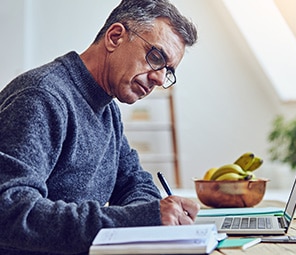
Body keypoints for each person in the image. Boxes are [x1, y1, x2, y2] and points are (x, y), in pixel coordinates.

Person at [0, 0, 199, 254]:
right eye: (156, 57)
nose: (159, 78)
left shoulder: (107, 110)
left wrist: (143, 219)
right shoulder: (42, 96)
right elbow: (9, 210)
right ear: (115, 37)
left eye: (168, 70)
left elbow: (136, 185)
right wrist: (134, 221)